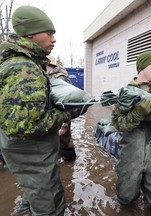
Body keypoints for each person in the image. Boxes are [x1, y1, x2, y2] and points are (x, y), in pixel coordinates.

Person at [0, 5, 86, 215]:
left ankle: (26, 208)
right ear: (30, 34)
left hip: (26, 154)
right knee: (50, 207)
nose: (53, 39)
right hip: (33, 155)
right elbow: (28, 124)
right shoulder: (24, 68)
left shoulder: (17, 62)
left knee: (34, 193)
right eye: (49, 33)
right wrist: (68, 113)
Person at [111, 51, 151, 214]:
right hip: (130, 156)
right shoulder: (125, 93)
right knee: (126, 198)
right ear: (143, 67)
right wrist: (138, 113)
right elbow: (118, 124)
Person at [47, 55, 76, 162]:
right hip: (54, 114)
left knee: (64, 139)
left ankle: (69, 160)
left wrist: (63, 125)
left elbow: (65, 103)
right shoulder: (49, 76)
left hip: (62, 114)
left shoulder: (60, 77)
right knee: (56, 139)